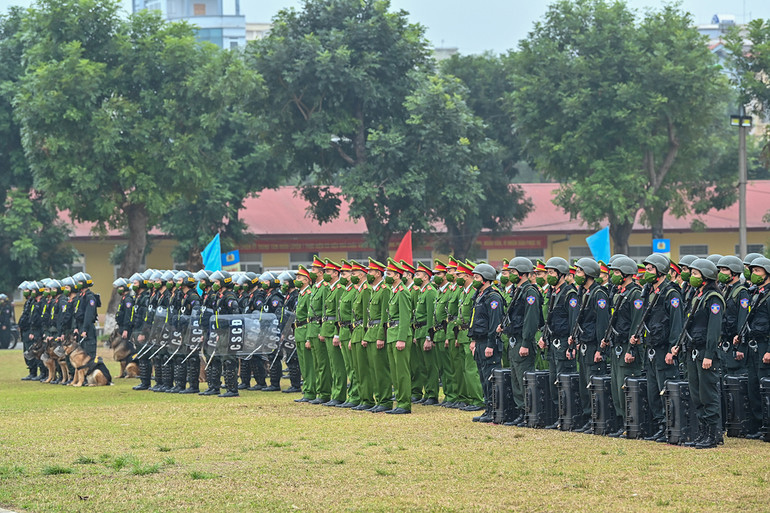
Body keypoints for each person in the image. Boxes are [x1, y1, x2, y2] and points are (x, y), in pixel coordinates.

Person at [673, 258, 724, 448]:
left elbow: (714, 330)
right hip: (693, 350)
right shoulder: (697, 295)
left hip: (705, 352)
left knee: (708, 394)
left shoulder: (713, 298)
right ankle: (702, 433)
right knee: (697, 394)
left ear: (706, 276)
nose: (691, 276)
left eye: (695, 273)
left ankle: (713, 435)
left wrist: (709, 354)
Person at [633, 254, 683, 443]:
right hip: (651, 348)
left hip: (664, 350)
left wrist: (672, 349)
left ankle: (670, 426)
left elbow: (676, 324)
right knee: (653, 391)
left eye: (650, 269)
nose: (646, 272)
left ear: (660, 271)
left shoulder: (671, 294)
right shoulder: (649, 292)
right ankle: (660, 425)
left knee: (665, 390)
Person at [603, 256, 643, 437]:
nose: (613, 275)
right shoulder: (620, 292)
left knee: (626, 387)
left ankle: (631, 424)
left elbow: (636, 324)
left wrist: (631, 349)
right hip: (616, 346)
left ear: (626, 274)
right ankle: (622, 422)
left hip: (628, 347)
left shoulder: (635, 294)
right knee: (616, 387)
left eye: (617, 272)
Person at [499, 257, 542, 427]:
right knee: (516, 379)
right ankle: (520, 411)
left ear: (522, 273)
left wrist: (525, 342)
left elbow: (531, 320)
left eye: (513, 272)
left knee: (524, 378)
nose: (510, 275)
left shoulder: (530, 292)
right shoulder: (518, 291)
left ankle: (528, 412)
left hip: (522, 341)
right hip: (513, 339)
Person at [538, 257, 578, 428]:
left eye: (552, 272)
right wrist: (544, 337)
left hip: (564, 342)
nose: (549, 275)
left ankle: (568, 416)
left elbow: (574, 321)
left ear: (561, 274)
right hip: (553, 342)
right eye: (548, 272)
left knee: (564, 381)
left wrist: (572, 345)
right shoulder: (553, 293)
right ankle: (558, 415)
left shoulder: (570, 294)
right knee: (553, 381)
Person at [571, 257, 610, 433]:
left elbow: (602, 323)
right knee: (584, 385)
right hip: (584, 344)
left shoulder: (599, 294)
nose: (576, 274)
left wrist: (601, 349)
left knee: (594, 385)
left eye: (579, 271)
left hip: (594, 346)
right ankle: (588, 417)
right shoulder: (583, 292)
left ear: (588, 274)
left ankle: (598, 419)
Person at [468, 263, 504, 423]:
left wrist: (491, 344)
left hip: (489, 343)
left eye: (477, 277)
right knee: (483, 378)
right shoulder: (479, 296)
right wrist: (474, 340)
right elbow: (476, 320)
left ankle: (495, 410)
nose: (474, 280)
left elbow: (495, 323)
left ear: (486, 279)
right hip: (480, 342)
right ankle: (488, 408)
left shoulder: (493, 297)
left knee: (491, 379)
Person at [385, 259, 413, 414]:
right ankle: (399, 401)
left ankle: (404, 404)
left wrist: (402, 339)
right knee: (395, 372)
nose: (386, 277)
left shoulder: (403, 292)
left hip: (400, 335)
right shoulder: (393, 291)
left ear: (397, 275)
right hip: (392, 334)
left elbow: (405, 317)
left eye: (389, 274)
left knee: (402, 372)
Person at [364, 257, 391, 412]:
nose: (368, 274)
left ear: (379, 274)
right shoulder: (374, 290)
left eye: (371, 271)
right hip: (371, 333)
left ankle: (385, 400)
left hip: (378, 334)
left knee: (381, 370)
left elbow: (384, 316)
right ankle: (378, 399)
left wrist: (381, 336)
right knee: (373, 369)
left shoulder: (384, 290)